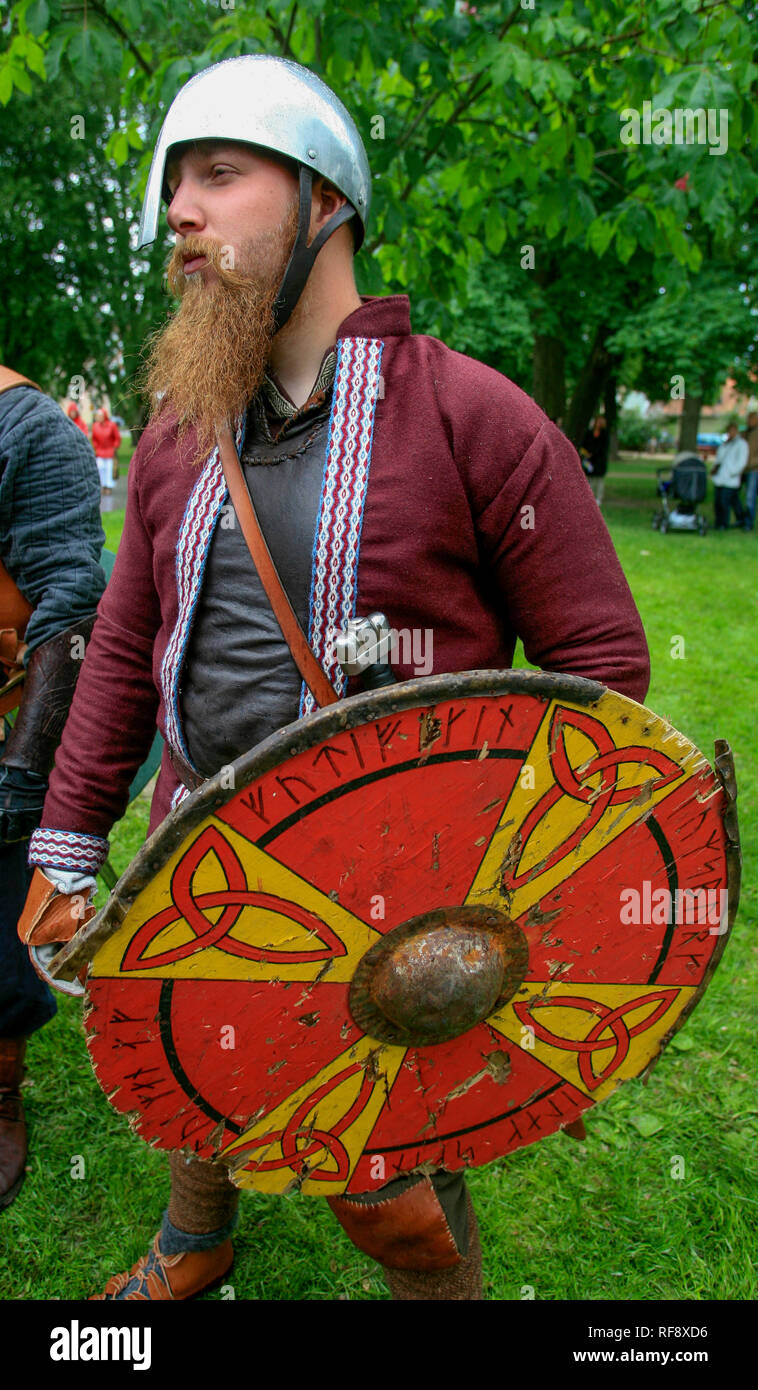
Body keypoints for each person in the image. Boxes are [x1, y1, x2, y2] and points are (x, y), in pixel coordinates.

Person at [18, 55, 650, 1301]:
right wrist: (67, 841)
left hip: (409, 884)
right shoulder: (171, 433)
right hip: (197, 841)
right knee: (194, 1054)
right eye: (173, 186)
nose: (179, 214)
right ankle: (192, 1243)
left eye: (218, 173)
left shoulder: (476, 416)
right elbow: (122, 665)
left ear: (324, 201)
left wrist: (511, 873)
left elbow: (599, 675)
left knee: (411, 1132)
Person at [0, 365, 105, 1210]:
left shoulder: (31, 428)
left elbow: (70, 606)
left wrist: (23, 774)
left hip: (9, 723)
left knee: (3, 929)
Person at [711, 420, 748, 530]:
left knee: (725, 502)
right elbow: (719, 458)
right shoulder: (725, 444)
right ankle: (719, 522)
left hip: (731, 478)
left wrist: (733, 472)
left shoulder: (741, 444)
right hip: (720, 477)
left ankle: (724, 523)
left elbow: (742, 462)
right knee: (719, 502)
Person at [91, 407, 122, 497]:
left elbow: (117, 438)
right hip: (100, 451)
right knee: (100, 468)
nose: (99, 417)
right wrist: (96, 447)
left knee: (109, 469)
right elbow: (94, 439)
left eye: (100, 416)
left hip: (109, 451)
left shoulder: (111, 425)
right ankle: (103, 485)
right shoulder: (95, 426)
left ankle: (109, 486)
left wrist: (115, 447)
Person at [582, 416, 610, 506]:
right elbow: (584, 444)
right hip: (589, 460)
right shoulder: (589, 433)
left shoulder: (604, 435)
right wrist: (587, 453)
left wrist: (594, 454)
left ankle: (598, 498)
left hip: (599, 461)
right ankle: (589, 496)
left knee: (599, 480)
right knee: (589, 479)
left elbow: (603, 448)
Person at [741, 410, 758, 531]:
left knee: (750, 496)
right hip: (745, 469)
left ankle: (748, 522)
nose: (749, 421)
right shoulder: (746, 433)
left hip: (754, 469)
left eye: (751, 419)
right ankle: (744, 519)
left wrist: (752, 463)